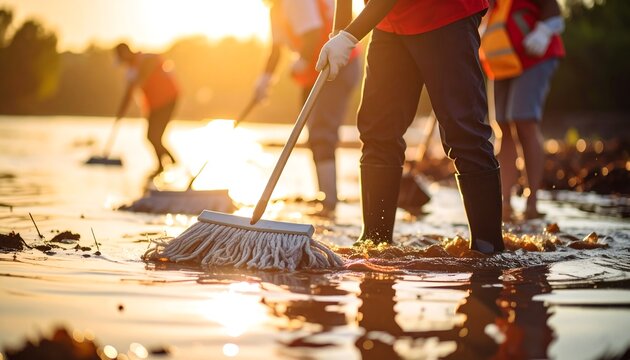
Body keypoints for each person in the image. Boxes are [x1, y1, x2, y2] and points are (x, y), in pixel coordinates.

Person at [316, 0, 505, 253]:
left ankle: (488, 249)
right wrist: (339, 33)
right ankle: (375, 242)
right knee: (378, 131)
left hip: (445, 14)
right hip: (388, 22)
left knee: (464, 132)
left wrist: (350, 36)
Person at [254, 0, 360, 218]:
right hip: (316, 70)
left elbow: (313, 33)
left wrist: (301, 61)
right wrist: (264, 80)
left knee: (322, 131)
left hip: (339, 63)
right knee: (314, 133)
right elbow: (276, 49)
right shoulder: (275, 10)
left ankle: (329, 203)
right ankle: (325, 198)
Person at [481, 0, 565, 221]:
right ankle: (505, 201)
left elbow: (552, 7)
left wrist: (544, 31)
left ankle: (532, 203)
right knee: (502, 126)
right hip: (500, 60)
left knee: (524, 120)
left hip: (534, 55)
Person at [113, 43, 179, 177]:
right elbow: (129, 93)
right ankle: (165, 165)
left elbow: (153, 62)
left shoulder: (144, 58)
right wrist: (121, 112)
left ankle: (173, 164)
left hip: (167, 99)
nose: (123, 63)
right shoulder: (132, 70)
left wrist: (139, 78)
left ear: (126, 52)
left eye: (122, 58)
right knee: (151, 137)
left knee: (154, 136)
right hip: (155, 104)